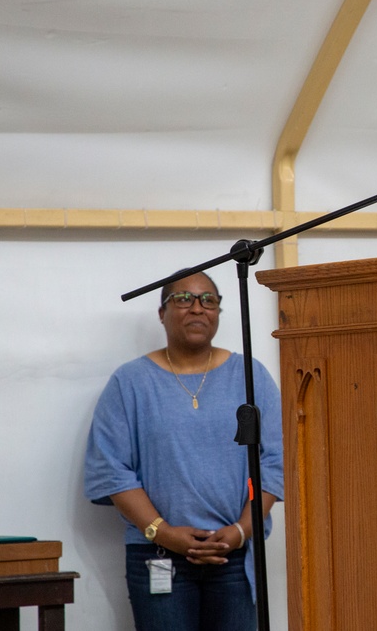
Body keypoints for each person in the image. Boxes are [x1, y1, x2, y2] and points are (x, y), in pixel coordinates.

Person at [84, 270, 284, 631]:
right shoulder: (130, 382)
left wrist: (242, 529)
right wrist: (163, 533)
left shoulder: (250, 376)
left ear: (219, 313)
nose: (197, 308)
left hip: (235, 558)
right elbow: (111, 470)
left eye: (208, 300)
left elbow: (273, 461)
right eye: (183, 299)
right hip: (157, 556)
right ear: (162, 312)